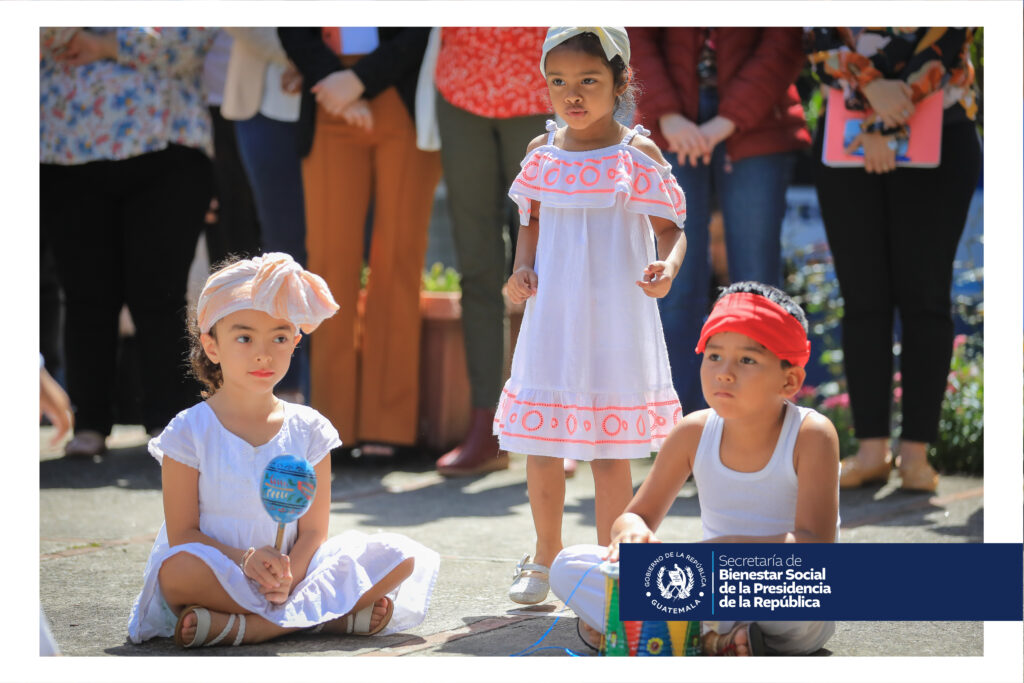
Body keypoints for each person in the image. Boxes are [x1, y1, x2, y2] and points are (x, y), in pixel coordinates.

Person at [127, 253, 440, 648]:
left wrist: (288, 574)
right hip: (223, 569)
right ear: (212, 346)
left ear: (295, 342)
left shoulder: (310, 429)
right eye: (244, 338)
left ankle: (254, 626)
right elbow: (183, 532)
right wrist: (246, 560)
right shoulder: (189, 431)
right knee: (177, 571)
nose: (263, 354)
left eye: (278, 338)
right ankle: (322, 618)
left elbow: (313, 531)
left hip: (296, 572)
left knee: (400, 555)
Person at [495, 27, 687, 605]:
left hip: (616, 320)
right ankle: (547, 551)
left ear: (620, 81)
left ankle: (613, 560)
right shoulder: (541, 153)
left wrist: (669, 267)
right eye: (558, 83)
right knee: (543, 442)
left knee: (610, 450)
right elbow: (529, 224)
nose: (572, 95)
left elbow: (671, 228)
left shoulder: (637, 154)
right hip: (554, 315)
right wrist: (521, 269)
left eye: (588, 81)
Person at [550, 282, 840, 656]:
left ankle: (655, 632)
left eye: (747, 360)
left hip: (788, 605)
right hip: (705, 585)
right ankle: (717, 643)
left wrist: (723, 553)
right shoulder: (692, 432)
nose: (725, 373)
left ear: (790, 380)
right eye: (714, 356)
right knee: (567, 567)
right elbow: (635, 516)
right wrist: (631, 535)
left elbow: (815, 550)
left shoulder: (811, 434)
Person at [806, 28, 982, 492]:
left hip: (943, 127)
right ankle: (871, 452)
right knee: (863, 298)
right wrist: (871, 91)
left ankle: (915, 455)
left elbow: (950, 33)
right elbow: (813, 36)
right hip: (846, 138)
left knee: (926, 297)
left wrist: (888, 111)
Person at [40, 27, 216, 457]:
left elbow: (194, 38)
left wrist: (104, 43)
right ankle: (91, 422)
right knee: (85, 292)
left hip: (167, 143)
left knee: (161, 292)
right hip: (65, 145)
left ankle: (171, 424)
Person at [628, 27, 811, 417]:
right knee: (671, 282)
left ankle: (758, 427)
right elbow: (636, 33)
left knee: (757, 289)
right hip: (670, 120)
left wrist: (728, 120)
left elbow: (783, 38)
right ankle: (678, 431)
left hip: (761, 117)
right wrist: (668, 114)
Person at [278, 27, 440, 455]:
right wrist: (335, 81)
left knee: (399, 260)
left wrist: (360, 81)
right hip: (327, 93)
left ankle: (390, 425)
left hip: (402, 93)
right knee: (328, 268)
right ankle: (333, 428)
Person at [429, 27, 552, 476]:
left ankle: (561, 422)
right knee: (477, 264)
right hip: (462, 87)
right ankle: (489, 426)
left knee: (551, 261)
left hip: (541, 86)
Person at [222, 27, 310, 402]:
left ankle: (329, 392)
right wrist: (305, 56)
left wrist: (320, 64)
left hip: (340, 99)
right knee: (281, 253)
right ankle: (284, 389)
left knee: (338, 251)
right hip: (261, 102)